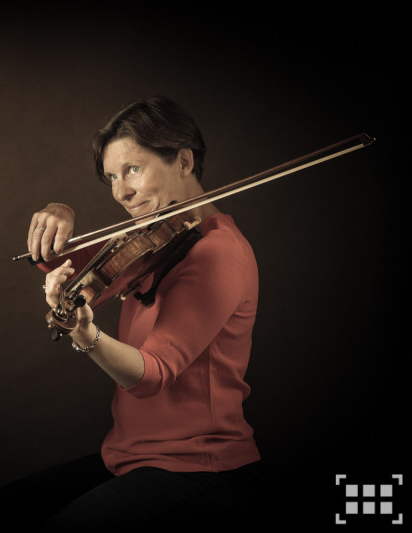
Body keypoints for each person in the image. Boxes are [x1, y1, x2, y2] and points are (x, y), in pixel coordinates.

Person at [24, 96, 263, 529]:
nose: (121, 192)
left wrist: (86, 335)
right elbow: (75, 267)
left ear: (184, 161)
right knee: (0, 508)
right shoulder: (158, 239)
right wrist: (60, 215)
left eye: (133, 169)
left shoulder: (218, 252)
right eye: (112, 177)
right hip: (131, 457)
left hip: (197, 467)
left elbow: (150, 374)